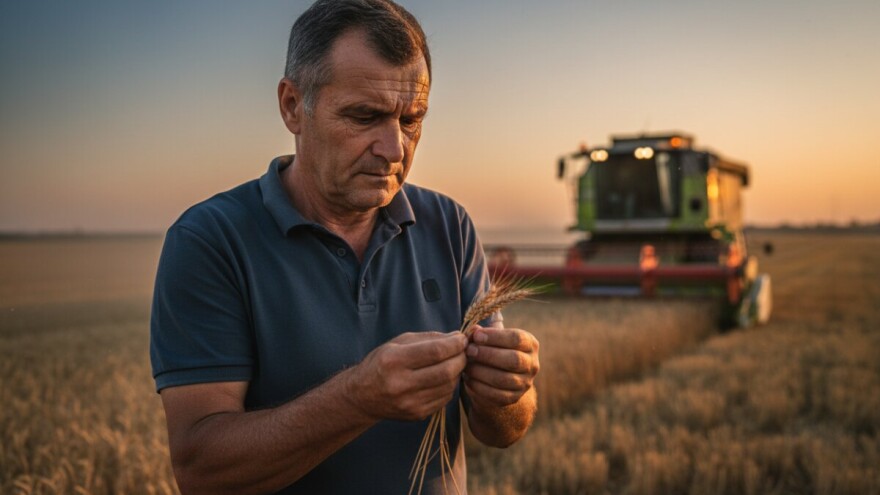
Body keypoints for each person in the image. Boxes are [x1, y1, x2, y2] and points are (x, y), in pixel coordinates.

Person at [150, 1, 540, 493]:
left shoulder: (449, 224)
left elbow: (501, 430)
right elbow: (201, 470)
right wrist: (359, 397)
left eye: (411, 119)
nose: (394, 148)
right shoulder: (210, 241)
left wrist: (508, 394)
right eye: (364, 116)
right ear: (293, 106)